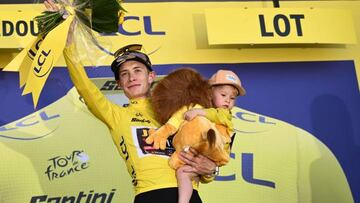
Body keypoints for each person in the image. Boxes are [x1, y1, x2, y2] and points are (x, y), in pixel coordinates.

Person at [41, 1, 218, 202]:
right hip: (150, 195)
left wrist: (212, 170)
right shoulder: (117, 115)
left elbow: (204, 154)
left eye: (137, 71)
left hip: (191, 195)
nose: (131, 77)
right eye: (124, 74)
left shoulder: (178, 110)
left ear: (151, 76)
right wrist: (67, 39)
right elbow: (84, 86)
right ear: (119, 84)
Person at [146, 69, 245, 203]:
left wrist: (201, 112)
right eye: (223, 95)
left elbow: (217, 115)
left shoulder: (224, 114)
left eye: (232, 98)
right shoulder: (194, 106)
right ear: (209, 92)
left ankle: (209, 138)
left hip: (214, 151)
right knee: (183, 173)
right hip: (191, 155)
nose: (228, 101)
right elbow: (177, 119)